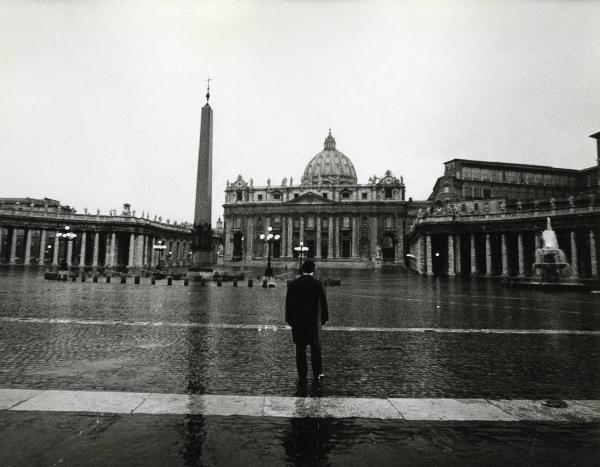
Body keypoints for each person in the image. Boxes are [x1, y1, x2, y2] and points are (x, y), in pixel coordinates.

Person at [285, 259, 329, 383]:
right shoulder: (317, 283)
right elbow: (323, 303)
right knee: (315, 349)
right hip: (313, 322)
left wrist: (289, 320)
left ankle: (302, 374)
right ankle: (317, 373)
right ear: (313, 270)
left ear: (302, 269)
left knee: (300, 349)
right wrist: (324, 319)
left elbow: (289, 303)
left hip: (298, 322)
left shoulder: (293, 283)